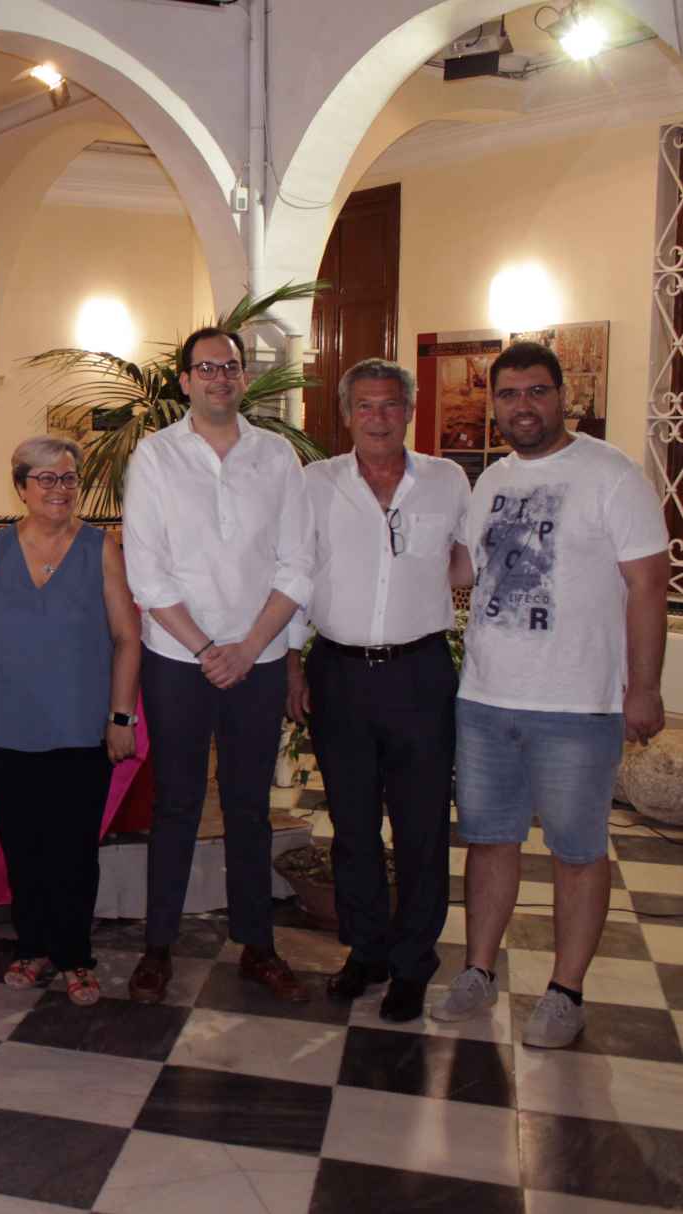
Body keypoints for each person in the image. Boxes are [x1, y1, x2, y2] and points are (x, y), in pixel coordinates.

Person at [432, 341, 669, 1047]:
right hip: (486, 698)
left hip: (578, 703)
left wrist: (645, 687)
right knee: (490, 840)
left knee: (576, 850)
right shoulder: (491, 480)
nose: (522, 406)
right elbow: (466, 569)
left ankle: (566, 990)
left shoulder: (611, 475)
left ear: (564, 396)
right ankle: (478, 969)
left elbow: (649, 586)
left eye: (536, 391)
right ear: (494, 403)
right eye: (508, 394)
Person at [121, 326, 316, 1005]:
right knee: (175, 804)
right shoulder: (154, 457)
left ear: (243, 377)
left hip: (256, 659)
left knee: (248, 807)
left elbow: (298, 562)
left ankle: (257, 945)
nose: (220, 379)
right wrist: (207, 649)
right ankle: (158, 948)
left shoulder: (277, 456)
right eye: (206, 368)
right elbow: (146, 571)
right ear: (184, 381)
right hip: (178, 658)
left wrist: (251, 645)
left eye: (230, 367)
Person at [286, 358, 470, 1022]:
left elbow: (469, 561)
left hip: (420, 673)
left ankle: (413, 964)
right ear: (347, 415)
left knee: (422, 828)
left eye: (390, 405)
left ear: (410, 409)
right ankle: (365, 951)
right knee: (354, 827)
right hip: (339, 673)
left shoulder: (448, 480)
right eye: (365, 406)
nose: (379, 418)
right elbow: (297, 574)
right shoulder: (316, 484)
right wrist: (290, 664)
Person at [0, 437, 140, 1006]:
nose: (59, 489)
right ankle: (32, 947)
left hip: (79, 728)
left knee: (73, 850)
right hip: (6, 726)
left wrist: (122, 716)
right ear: (20, 487)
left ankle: (75, 957)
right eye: (45, 479)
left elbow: (127, 637)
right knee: (24, 848)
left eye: (68, 479)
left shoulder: (101, 547)